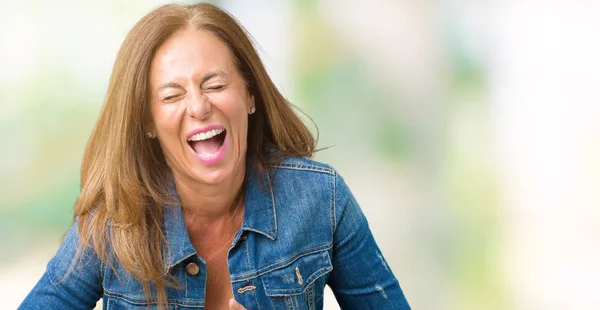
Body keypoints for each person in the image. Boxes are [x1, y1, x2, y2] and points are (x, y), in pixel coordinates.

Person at [19, 3, 410, 309]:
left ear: (250, 95)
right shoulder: (113, 225)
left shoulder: (320, 200)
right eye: (172, 95)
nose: (199, 107)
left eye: (216, 84)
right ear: (148, 122)